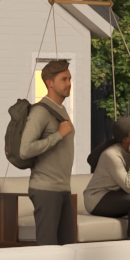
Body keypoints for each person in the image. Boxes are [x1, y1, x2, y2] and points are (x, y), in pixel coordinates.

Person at [5, 57, 81, 245]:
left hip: (63, 187)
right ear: (49, 83)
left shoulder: (61, 110)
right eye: (64, 79)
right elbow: (25, 150)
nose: (69, 84)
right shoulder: (41, 112)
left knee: (69, 246)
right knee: (47, 246)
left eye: (70, 79)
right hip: (45, 189)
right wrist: (58, 135)